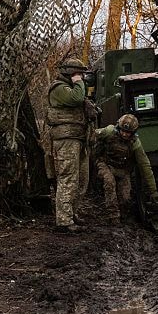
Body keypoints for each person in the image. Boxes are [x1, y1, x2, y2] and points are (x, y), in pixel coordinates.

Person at [46, 58, 92, 232]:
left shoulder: (71, 87)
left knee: (81, 179)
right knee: (68, 178)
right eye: (78, 73)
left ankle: (72, 213)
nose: (81, 76)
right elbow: (76, 98)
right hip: (65, 139)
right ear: (71, 73)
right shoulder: (58, 88)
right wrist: (79, 82)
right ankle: (64, 221)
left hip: (78, 138)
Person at [94, 114, 158, 223]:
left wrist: (153, 191)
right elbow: (92, 135)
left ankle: (123, 216)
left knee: (126, 198)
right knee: (109, 182)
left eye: (128, 132)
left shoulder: (135, 144)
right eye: (122, 131)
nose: (124, 134)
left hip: (122, 170)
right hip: (105, 164)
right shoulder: (109, 132)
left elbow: (145, 166)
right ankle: (113, 216)